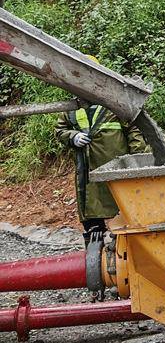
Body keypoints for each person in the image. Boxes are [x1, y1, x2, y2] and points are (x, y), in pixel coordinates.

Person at [56, 103, 148, 244]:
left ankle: (124, 239)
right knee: (91, 203)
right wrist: (73, 137)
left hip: (117, 167)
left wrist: (136, 157)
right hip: (87, 167)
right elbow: (60, 129)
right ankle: (95, 237)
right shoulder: (72, 108)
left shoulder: (114, 105)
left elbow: (133, 128)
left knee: (122, 202)